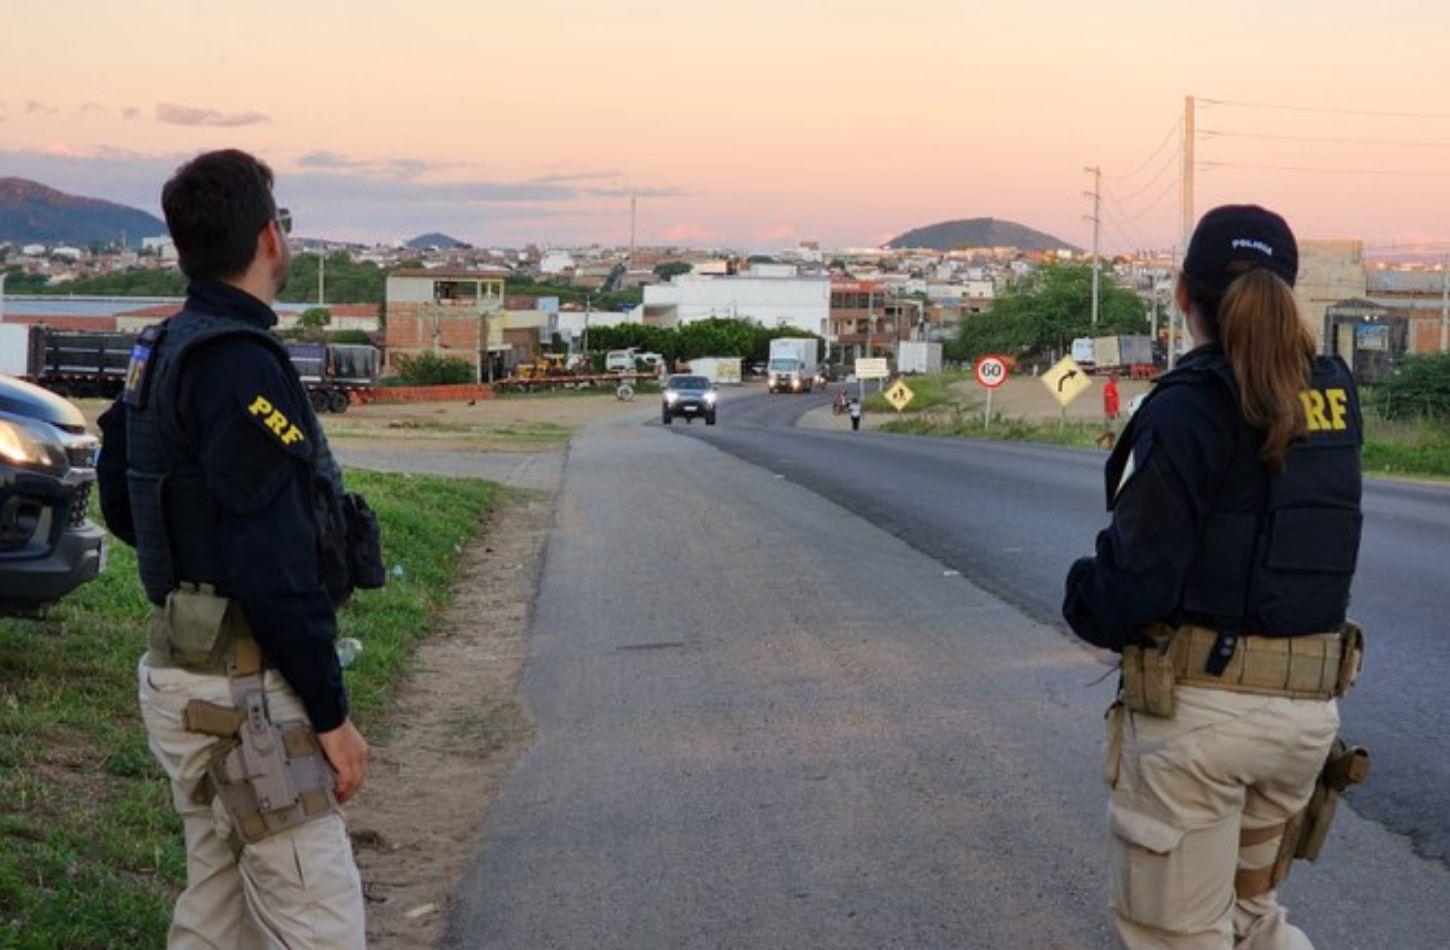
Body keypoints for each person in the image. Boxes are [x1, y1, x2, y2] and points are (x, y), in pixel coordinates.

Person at [97, 149, 382, 948]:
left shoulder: (164, 346)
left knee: (217, 919)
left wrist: (196, 563)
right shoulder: (240, 363)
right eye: (282, 223)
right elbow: (276, 559)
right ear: (268, 239)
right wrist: (330, 716)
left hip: (184, 679)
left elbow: (125, 501)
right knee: (317, 926)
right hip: (249, 701)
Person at [1062, 205, 1366, 949]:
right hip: (1305, 719)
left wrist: (1082, 594)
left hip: (1202, 726)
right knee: (1256, 921)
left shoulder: (1188, 405)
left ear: (1181, 295)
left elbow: (1137, 581)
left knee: (1177, 935)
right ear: (1285, 292)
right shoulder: (1335, 394)